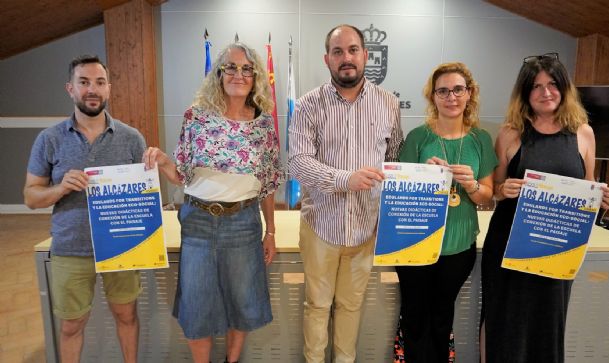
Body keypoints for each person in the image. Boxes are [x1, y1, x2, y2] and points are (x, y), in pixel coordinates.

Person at [143, 41, 283, 363]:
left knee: (242, 301)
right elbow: (182, 175)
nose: (239, 74)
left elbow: (269, 183)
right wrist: (163, 161)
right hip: (199, 223)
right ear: (218, 74)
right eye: (231, 67)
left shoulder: (263, 125)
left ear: (255, 76)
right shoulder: (196, 118)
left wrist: (271, 231)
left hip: (243, 222)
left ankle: (231, 361)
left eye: (247, 69)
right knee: (197, 304)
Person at [480, 53, 609, 362]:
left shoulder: (583, 133)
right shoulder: (510, 133)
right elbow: (493, 194)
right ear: (525, 93)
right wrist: (505, 189)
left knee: (548, 325)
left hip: (557, 249)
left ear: (564, 88)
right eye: (536, 86)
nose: (546, 93)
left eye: (553, 84)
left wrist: (601, 201)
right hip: (509, 250)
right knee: (506, 326)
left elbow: (588, 188)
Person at [288, 24, 404, 363]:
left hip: (367, 227)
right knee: (318, 306)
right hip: (321, 225)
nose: (346, 58)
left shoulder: (389, 104)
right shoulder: (309, 105)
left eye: (353, 50)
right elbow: (298, 163)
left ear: (365, 56)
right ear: (327, 59)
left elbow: (395, 157)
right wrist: (345, 179)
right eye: (338, 52)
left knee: (351, 306)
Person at [23, 55, 146, 363]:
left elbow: (145, 194)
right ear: (70, 89)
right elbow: (30, 197)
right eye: (84, 82)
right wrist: (61, 187)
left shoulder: (132, 138)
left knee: (127, 316)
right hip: (70, 246)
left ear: (109, 89)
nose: (93, 89)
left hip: (122, 246)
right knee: (71, 325)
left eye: (100, 82)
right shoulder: (49, 139)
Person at [394, 62, 497, 362]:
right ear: (433, 97)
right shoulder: (418, 138)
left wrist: (472, 185)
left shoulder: (481, 140)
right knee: (413, 316)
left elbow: (488, 196)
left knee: (441, 316)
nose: (451, 97)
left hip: (457, 246)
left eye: (458, 90)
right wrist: (421, 174)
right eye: (443, 91)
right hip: (416, 244)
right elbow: (399, 192)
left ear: (469, 94)